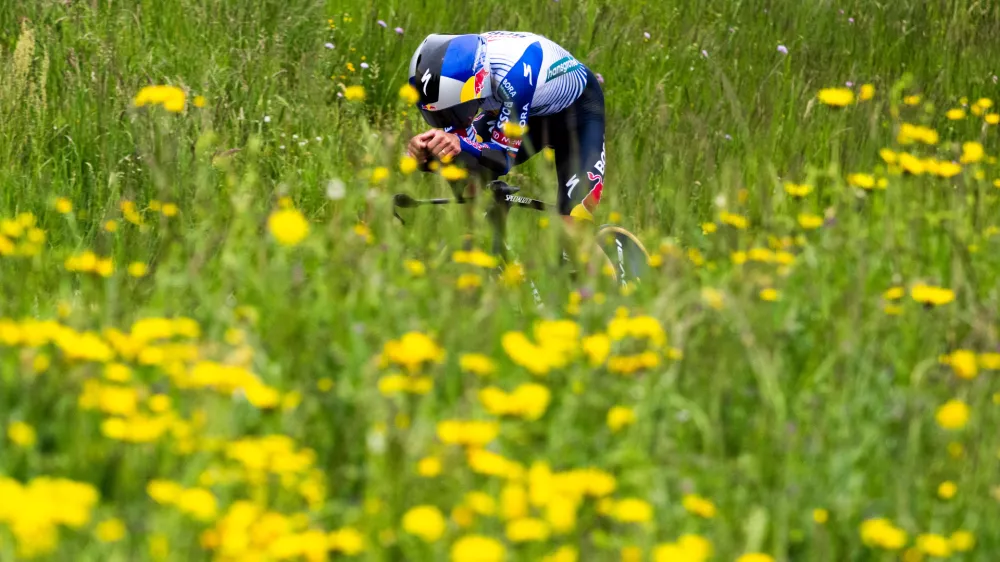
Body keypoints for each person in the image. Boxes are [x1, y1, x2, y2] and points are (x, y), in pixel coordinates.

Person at [405, 31, 606, 223]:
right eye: (438, 117)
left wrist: (459, 143)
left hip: (577, 115)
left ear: (476, 84)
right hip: (525, 109)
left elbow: (502, 159)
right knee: (469, 172)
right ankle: (476, 242)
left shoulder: (514, 73)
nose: (448, 122)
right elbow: (460, 153)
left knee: (574, 232)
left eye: (452, 113)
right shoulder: (466, 69)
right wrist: (426, 151)